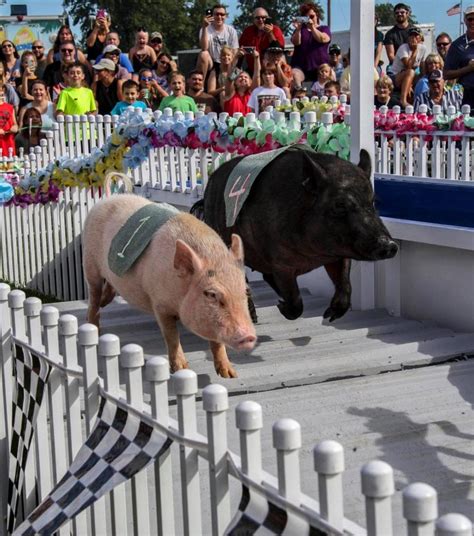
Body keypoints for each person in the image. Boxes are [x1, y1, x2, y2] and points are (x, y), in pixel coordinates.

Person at [196, 5, 239, 82]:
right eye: (217, 14)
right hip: (212, 62)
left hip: (226, 62)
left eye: (222, 14)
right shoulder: (205, 29)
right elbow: (204, 48)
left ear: (226, 16)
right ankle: (201, 85)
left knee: (238, 68)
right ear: (212, 15)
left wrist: (231, 68)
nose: (219, 17)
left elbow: (235, 52)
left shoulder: (231, 30)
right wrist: (205, 27)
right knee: (203, 54)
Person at [290, 2, 331, 84]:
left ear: (317, 15)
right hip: (301, 67)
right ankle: (299, 94)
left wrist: (312, 28)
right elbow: (295, 42)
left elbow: (323, 39)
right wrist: (298, 29)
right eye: (306, 17)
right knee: (295, 74)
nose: (310, 19)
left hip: (320, 68)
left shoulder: (324, 28)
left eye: (312, 16)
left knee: (331, 75)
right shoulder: (300, 29)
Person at [444, 5, 474, 110]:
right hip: (467, 95)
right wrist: (468, 69)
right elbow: (446, 74)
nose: (472, 22)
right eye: (470, 19)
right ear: (465, 21)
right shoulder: (457, 45)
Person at [239, 7, 285, 74]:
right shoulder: (248, 31)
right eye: (257, 18)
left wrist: (270, 33)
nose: (261, 20)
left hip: (272, 71)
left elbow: (279, 50)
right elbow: (240, 51)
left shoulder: (275, 30)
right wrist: (236, 70)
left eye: (263, 17)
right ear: (253, 20)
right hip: (253, 70)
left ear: (268, 18)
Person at [391, 26, 428, 108]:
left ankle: (421, 100)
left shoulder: (423, 48)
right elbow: (408, 66)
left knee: (423, 78)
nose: (413, 38)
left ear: (420, 38)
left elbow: (422, 68)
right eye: (411, 35)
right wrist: (415, 50)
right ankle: (403, 100)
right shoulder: (403, 48)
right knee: (411, 72)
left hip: (409, 76)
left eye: (416, 35)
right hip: (396, 76)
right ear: (408, 38)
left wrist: (421, 79)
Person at [383, 3, 412, 74]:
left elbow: (419, 51)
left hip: (413, 63)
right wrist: (403, 67)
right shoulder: (390, 34)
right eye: (397, 13)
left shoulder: (415, 31)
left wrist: (410, 64)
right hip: (396, 66)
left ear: (407, 13)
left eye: (402, 12)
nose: (399, 14)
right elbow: (391, 56)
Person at [0, 83, 18, 156]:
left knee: (9, 165)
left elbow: (15, 124)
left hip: (8, 142)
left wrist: (15, 127)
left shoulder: (10, 107)